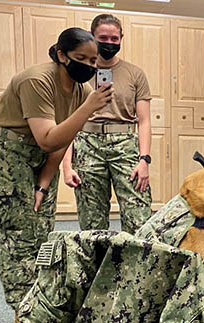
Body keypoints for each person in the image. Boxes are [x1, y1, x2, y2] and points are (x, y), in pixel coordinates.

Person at [0, 27, 113, 323]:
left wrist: (44, 184)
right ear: (61, 55)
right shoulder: (37, 80)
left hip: (37, 158)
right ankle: (25, 322)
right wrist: (89, 108)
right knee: (18, 237)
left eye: (93, 60)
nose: (89, 66)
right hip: (2, 157)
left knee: (42, 235)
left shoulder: (78, 90)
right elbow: (48, 136)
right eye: (81, 59)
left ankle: (41, 309)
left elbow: (61, 141)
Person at [63, 14, 152, 234]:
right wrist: (66, 165)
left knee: (138, 217)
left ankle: (134, 267)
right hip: (87, 143)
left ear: (122, 38)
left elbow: (144, 120)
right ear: (92, 37)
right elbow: (67, 122)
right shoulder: (78, 72)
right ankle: (97, 267)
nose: (109, 43)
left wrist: (144, 160)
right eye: (103, 38)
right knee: (92, 221)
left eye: (114, 39)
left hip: (125, 145)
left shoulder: (135, 74)